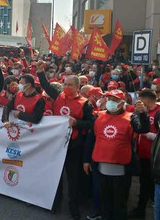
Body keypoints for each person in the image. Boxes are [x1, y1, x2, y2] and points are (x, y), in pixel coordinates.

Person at [38, 60, 93, 220]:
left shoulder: (85, 104)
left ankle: (73, 207)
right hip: (57, 144)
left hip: (74, 145)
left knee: (73, 178)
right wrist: (41, 71)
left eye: (70, 85)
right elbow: (46, 86)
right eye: (65, 84)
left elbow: (90, 123)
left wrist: (77, 123)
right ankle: (55, 203)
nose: (66, 87)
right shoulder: (59, 96)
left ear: (77, 87)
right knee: (56, 176)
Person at [83, 89, 150, 220]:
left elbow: (143, 129)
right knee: (105, 201)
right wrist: (86, 160)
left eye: (115, 100)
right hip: (101, 165)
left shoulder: (131, 117)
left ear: (121, 103)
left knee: (119, 202)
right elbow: (91, 139)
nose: (111, 102)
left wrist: (143, 114)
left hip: (121, 168)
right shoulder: (98, 116)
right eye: (109, 99)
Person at [129, 89, 160, 219]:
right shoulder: (140, 112)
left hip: (152, 156)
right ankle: (142, 206)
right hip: (141, 154)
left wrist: (149, 135)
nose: (139, 105)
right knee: (143, 182)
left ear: (147, 101)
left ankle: (144, 208)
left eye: (141, 102)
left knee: (148, 183)